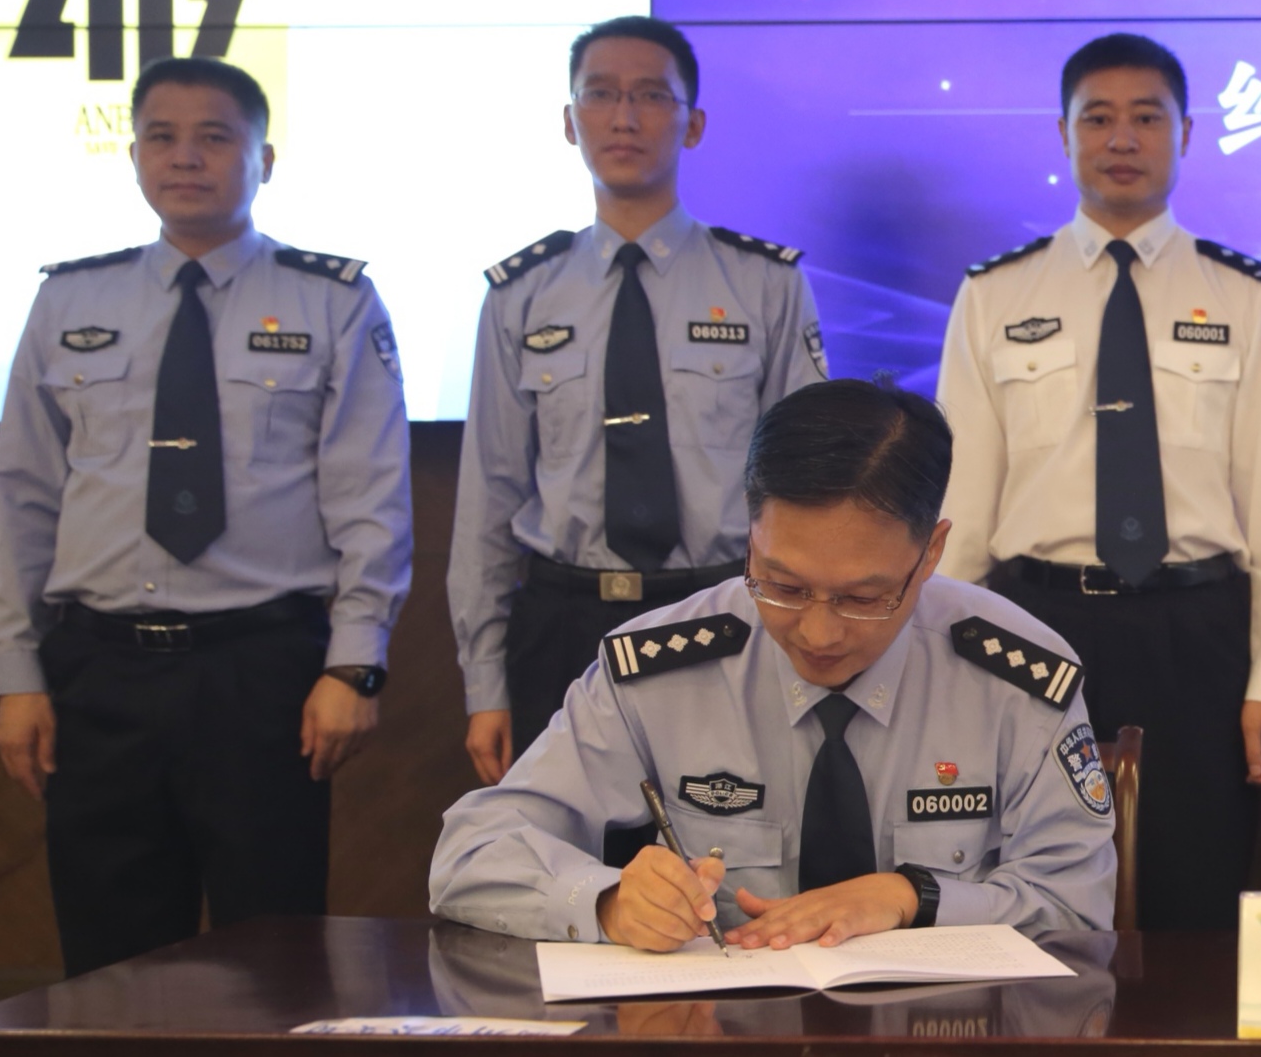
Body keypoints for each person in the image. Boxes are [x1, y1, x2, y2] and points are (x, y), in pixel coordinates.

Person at [0, 56, 413, 976]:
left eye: (215, 137)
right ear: (134, 155)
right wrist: (16, 672)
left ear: (265, 159)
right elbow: (23, 499)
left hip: (261, 672)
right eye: (162, 137)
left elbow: (370, 495)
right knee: (110, 970)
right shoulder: (68, 300)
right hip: (99, 672)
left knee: (276, 961)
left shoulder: (332, 299)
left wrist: (355, 664)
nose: (185, 157)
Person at [430, 380, 1114, 947]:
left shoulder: (1016, 677)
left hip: (946, 1045)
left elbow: (1079, 906)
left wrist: (913, 898)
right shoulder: (661, 668)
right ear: (751, 536)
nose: (818, 632)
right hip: (727, 1039)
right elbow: (471, 853)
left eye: (863, 598)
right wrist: (606, 900)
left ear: (930, 553)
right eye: (782, 585)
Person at [935, 32, 1261, 931]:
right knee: (1029, 896)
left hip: (1197, 632)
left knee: (1195, 897)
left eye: (1147, 118)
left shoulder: (1245, 296)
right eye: (1098, 118)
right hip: (1034, 627)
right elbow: (961, 508)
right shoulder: (996, 294)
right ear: (1063, 134)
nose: (1122, 139)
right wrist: (947, 667)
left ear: (1185, 134)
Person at [449, 14, 825, 799]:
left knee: (729, 848)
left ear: (693, 124)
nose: (624, 117)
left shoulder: (764, 283)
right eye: (601, 94)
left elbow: (808, 486)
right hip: (563, 622)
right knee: (567, 853)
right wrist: (484, 681)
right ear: (569, 120)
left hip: (722, 613)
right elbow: (490, 496)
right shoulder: (521, 293)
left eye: (652, 95)